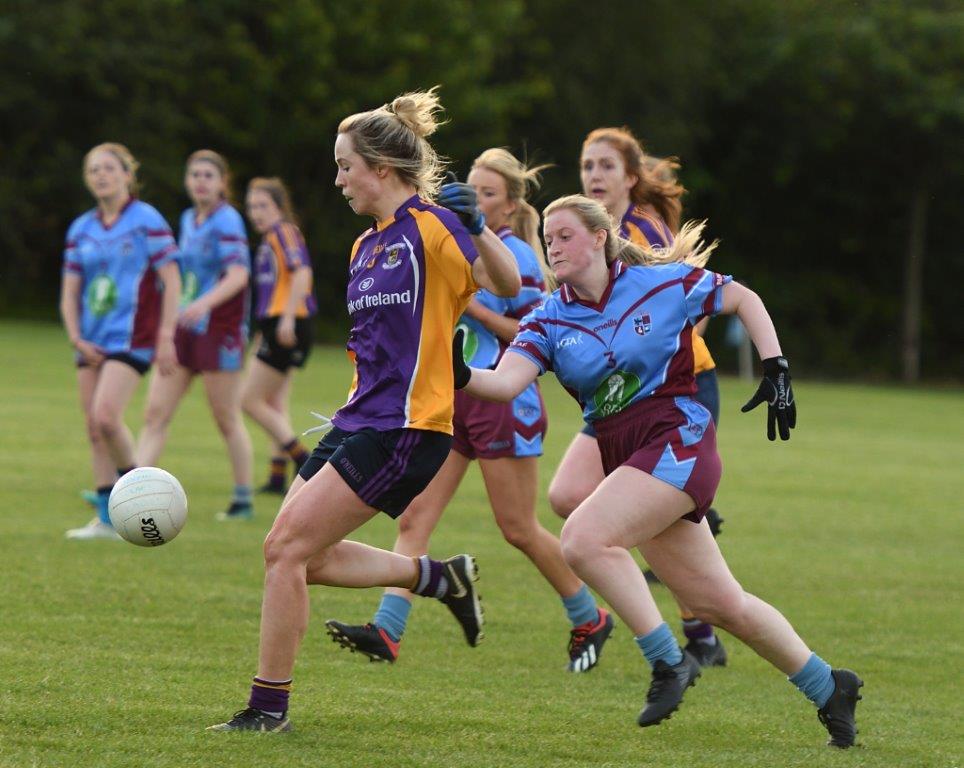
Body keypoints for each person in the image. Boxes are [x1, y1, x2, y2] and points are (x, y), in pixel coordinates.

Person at [455, 194, 862, 747]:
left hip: (679, 437)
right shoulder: (548, 316)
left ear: (600, 237)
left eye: (565, 234)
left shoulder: (662, 282)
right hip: (630, 455)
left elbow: (741, 296)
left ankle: (667, 663)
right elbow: (502, 384)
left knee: (581, 539)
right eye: (548, 239)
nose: (553, 246)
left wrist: (776, 367)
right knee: (719, 604)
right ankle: (829, 685)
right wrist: (456, 370)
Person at [207, 87, 521, 732]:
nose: (338, 177)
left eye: (346, 164)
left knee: (286, 550)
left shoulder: (434, 229)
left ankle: (268, 708)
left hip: (409, 428)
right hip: (357, 419)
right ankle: (436, 577)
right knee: (301, 555)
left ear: (382, 167)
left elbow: (509, 288)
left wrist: (481, 232)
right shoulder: (363, 247)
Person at [325, 148, 613, 672]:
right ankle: (387, 631)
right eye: (470, 187)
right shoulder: (452, 244)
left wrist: (469, 301)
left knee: (517, 528)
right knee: (414, 514)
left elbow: (530, 335)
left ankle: (588, 613)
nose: (474, 197)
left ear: (507, 206)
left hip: (504, 401)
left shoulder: (518, 257)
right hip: (452, 398)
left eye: (487, 193)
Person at [548, 126, 727, 666]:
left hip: (673, 389)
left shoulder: (640, 229)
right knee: (567, 495)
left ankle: (694, 636)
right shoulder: (582, 230)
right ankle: (696, 634)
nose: (594, 175)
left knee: (606, 512)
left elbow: (688, 304)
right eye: (586, 165)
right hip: (616, 396)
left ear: (629, 177)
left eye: (605, 166)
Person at [61, 143, 181, 540]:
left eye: (109, 168)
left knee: (107, 416)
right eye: (93, 169)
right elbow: (69, 292)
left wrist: (166, 335)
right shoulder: (81, 228)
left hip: (132, 338)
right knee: (94, 428)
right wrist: (76, 338)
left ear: (128, 174)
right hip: (90, 341)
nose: (100, 175)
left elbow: (171, 280)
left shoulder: (146, 219)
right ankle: (107, 519)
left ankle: (142, 494)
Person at [135, 150, 256, 520]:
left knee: (225, 416)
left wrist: (204, 303)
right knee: (155, 412)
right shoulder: (189, 218)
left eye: (208, 175)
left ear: (222, 182)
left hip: (220, 330)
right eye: (194, 175)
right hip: (185, 329)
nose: (200, 181)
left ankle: (242, 499)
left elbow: (239, 275)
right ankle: (127, 493)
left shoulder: (228, 220)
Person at [241, 177, 317, 495]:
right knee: (274, 401)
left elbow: (302, 272)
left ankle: (303, 458)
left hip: (290, 322)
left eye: (263, 206)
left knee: (249, 400)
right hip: (279, 324)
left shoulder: (283, 232)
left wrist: (286, 318)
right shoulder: (269, 239)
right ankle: (277, 476)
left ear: (279, 207)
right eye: (252, 207)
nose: (256, 213)